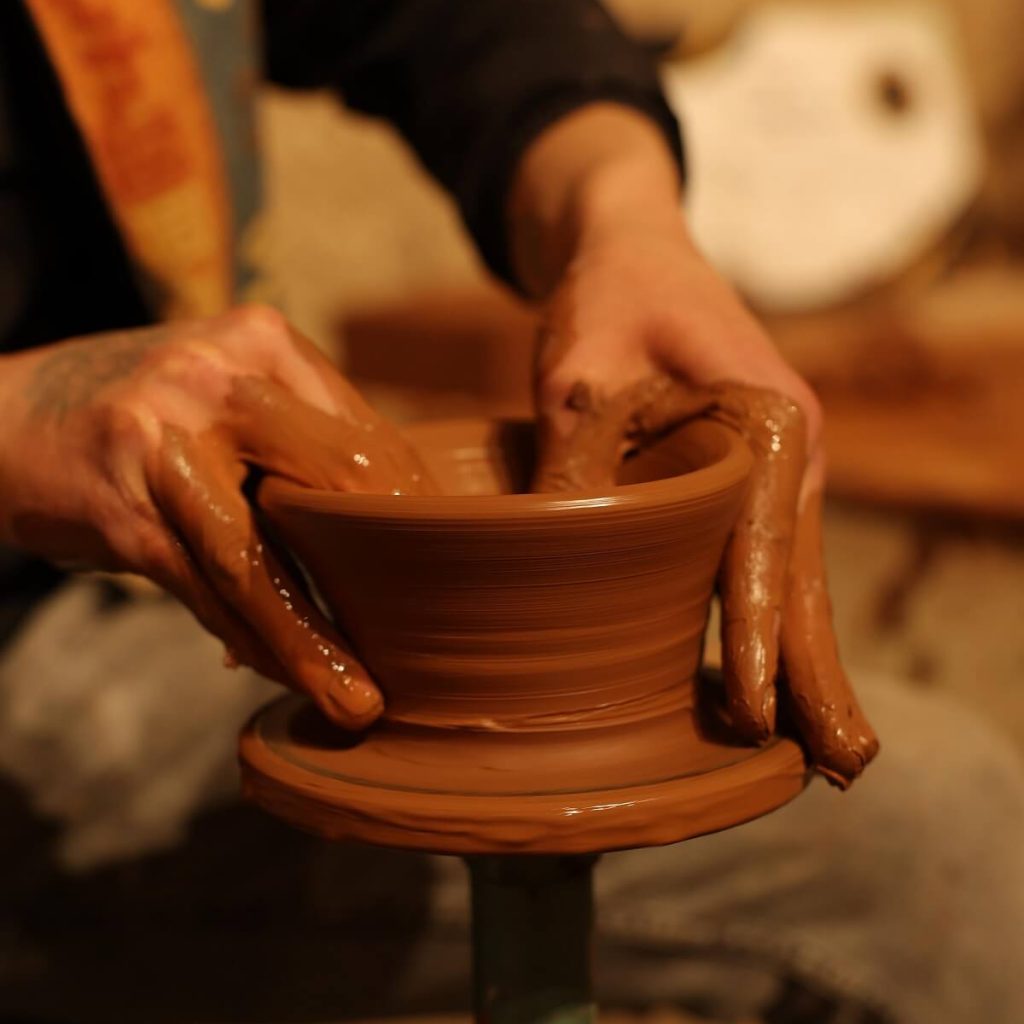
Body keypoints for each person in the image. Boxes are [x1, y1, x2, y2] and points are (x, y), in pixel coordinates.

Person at [0, 3, 1020, 1023]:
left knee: (956, 834)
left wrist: (621, 215)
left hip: (147, 568)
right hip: (23, 633)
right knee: (932, 851)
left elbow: (459, 18)